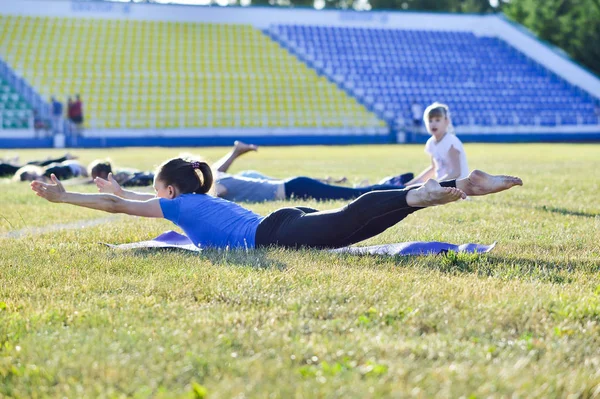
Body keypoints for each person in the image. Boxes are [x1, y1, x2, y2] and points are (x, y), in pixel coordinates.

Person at [31, 157, 522, 250]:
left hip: (276, 233)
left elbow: (122, 207)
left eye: (157, 192)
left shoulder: (176, 207)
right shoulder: (199, 196)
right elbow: (129, 199)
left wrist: (63, 195)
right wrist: (119, 192)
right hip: (283, 223)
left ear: (169, 192)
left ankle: (442, 187)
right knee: (356, 228)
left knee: (355, 217)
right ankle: (439, 192)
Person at [94, 141, 413, 202]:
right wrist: (122, 193)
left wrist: (122, 195)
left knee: (354, 196)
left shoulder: (215, 188)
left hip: (293, 189)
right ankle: (391, 184)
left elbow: (222, 189)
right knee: (350, 194)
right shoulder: (208, 181)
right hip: (292, 185)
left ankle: (395, 187)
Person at [405, 102, 469, 186]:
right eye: (430, 121)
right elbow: (434, 168)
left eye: (437, 120)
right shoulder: (431, 142)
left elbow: (456, 172)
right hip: (441, 185)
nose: (433, 124)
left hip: (456, 187)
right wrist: (411, 184)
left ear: (446, 121)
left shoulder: (451, 142)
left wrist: (435, 184)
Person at [0, 153, 76, 178]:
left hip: (10, 167)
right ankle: (63, 158)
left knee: (34, 164)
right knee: (36, 165)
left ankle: (63, 158)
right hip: (12, 168)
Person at [13, 159, 88, 182]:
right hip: (70, 168)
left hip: (72, 167)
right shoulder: (44, 173)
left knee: (88, 177)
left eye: (32, 177)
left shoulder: (45, 172)